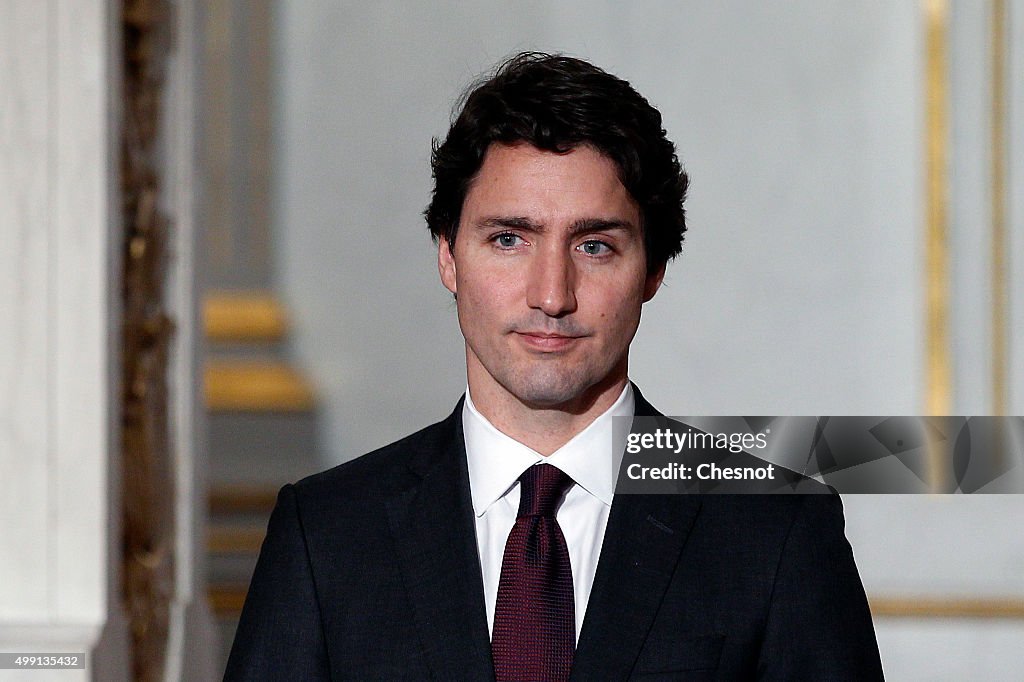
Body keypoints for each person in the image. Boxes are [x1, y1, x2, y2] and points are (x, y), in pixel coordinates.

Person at [225, 52, 884, 680]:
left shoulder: (776, 532)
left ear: (652, 270)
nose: (551, 294)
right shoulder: (329, 534)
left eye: (595, 246)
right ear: (448, 256)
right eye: (509, 239)